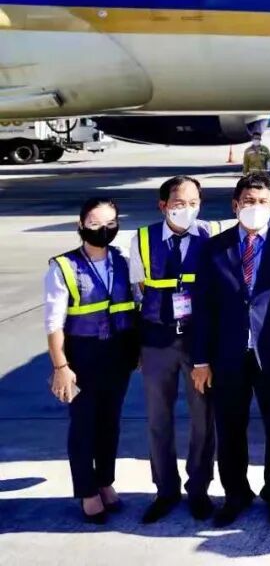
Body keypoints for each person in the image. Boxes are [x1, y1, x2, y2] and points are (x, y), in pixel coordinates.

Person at [191, 174, 270, 527]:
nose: (254, 207)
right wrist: (201, 360)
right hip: (227, 355)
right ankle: (236, 494)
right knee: (229, 429)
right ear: (235, 205)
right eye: (248, 201)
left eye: (262, 202)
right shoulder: (214, 248)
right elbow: (203, 307)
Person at [129, 176, 219, 524]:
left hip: (199, 340)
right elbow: (137, 292)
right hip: (157, 338)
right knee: (158, 417)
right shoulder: (142, 239)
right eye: (180, 203)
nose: (187, 209)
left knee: (203, 417)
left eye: (194, 203)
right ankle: (165, 490)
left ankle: (199, 489)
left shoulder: (211, 233)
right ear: (163, 205)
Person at [44, 197, 138, 524]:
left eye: (110, 223)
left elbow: (134, 305)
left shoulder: (123, 261)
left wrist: (137, 351)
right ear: (81, 225)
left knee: (110, 422)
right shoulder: (63, 267)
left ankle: (105, 481)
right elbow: (54, 323)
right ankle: (87, 490)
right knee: (84, 423)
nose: (103, 230)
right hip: (82, 355)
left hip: (119, 354)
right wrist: (61, 367)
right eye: (95, 224)